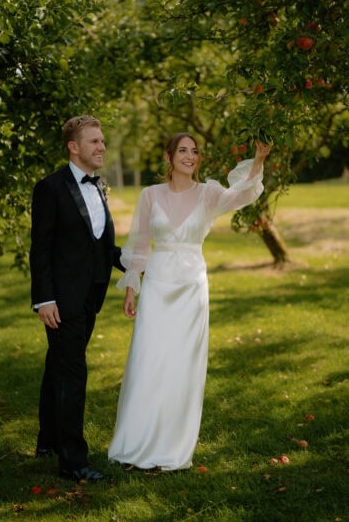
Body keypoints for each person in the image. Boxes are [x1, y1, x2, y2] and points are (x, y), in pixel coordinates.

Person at [108, 133, 271, 471]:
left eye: (194, 151)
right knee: (147, 362)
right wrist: (130, 288)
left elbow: (242, 194)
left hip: (191, 288)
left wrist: (258, 160)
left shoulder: (209, 193)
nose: (190, 156)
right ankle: (134, 441)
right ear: (168, 158)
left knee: (183, 368)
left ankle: (172, 446)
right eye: (182, 150)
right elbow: (138, 246)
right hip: (156, 286)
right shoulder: (149, 195)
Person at [30, 115, 124, 483]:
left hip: (91, 296)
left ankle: (48, 440)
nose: (102, 147)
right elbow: (41, 249)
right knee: (72, 374)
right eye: (95, 142)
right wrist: (45, 299)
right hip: (62, 300)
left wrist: (134, 263)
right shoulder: (50, 187)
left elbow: (98, 243)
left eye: (102, 141)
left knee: (59, 366)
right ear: (74, 147)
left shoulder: (98, 185)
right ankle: (73, 461)